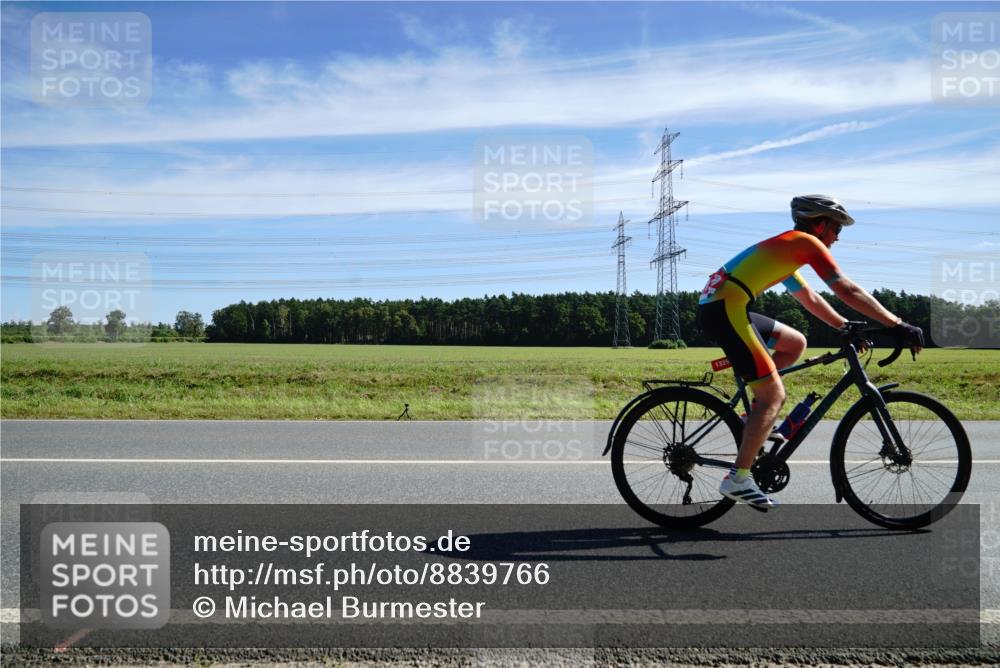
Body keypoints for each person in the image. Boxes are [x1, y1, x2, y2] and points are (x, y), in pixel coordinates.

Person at [696, 195, 924, 509]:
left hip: (722, 306)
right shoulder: (805, 243)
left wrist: (844, 326)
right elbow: (845, 288)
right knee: (773, 397)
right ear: (820, 224)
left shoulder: (788, 248)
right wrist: (897, 324)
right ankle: (738, 478)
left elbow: (809, 298)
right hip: (725, 310)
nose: (837, 237)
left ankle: (752, 418)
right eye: (836, 228)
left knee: (795, 343)